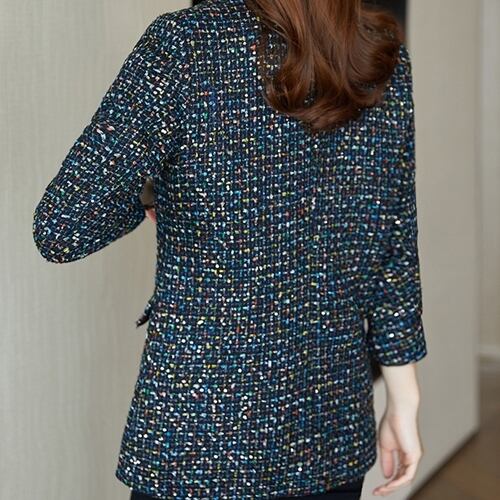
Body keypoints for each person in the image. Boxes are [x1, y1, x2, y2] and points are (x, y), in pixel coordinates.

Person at [32, 0, 427, 498]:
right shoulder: (381, 51)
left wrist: (153, 189)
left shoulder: (186, 43)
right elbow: (393, 240)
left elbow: (62, 227)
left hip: (200, 436)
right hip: (331, 427)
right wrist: (404, 399)